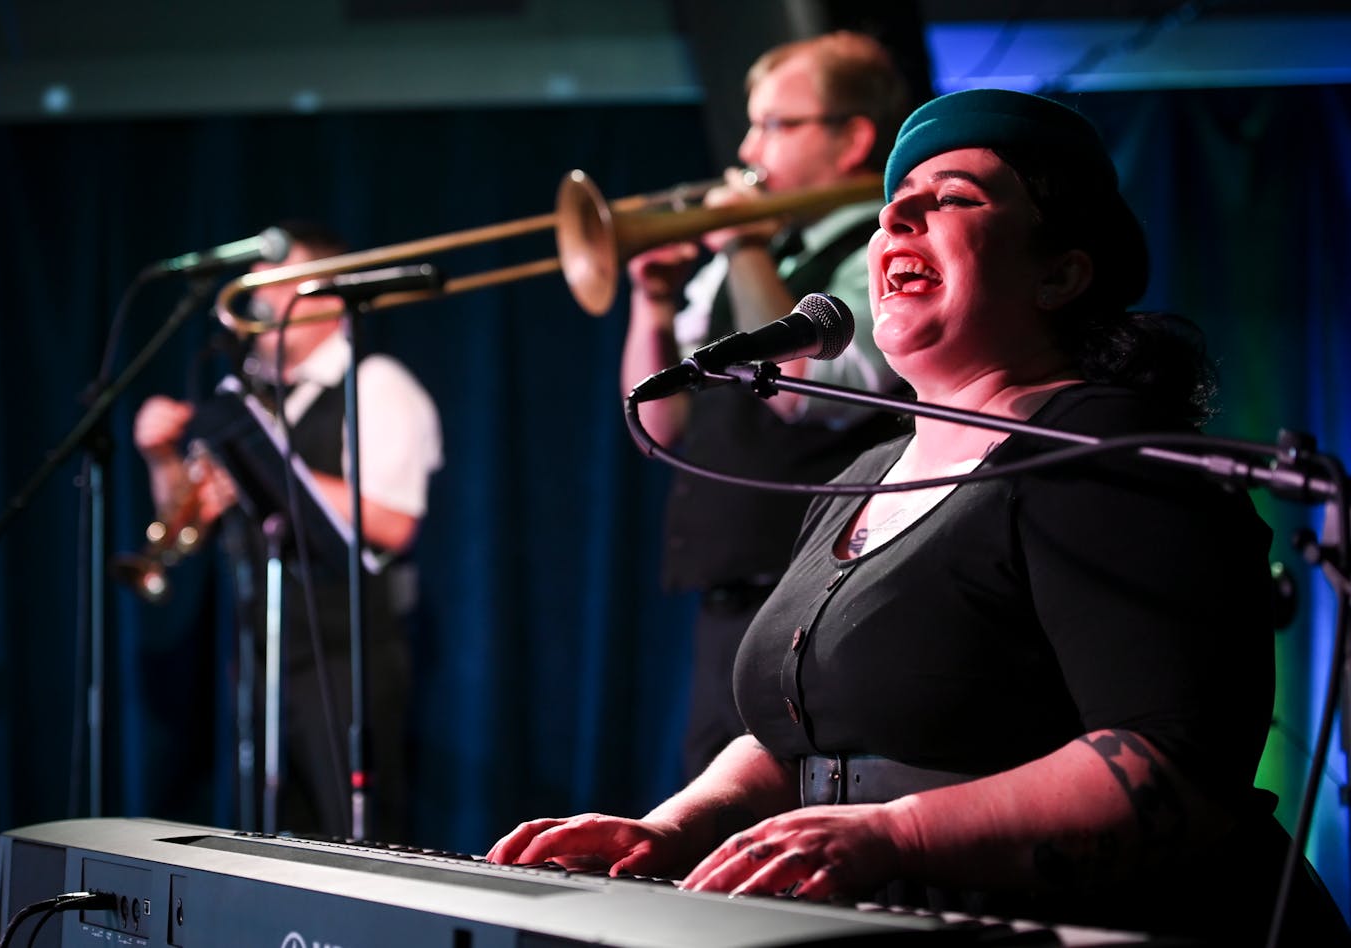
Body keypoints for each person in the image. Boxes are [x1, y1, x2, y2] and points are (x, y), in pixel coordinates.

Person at [492, 90, 1350, 944]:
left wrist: (898, 832)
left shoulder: (1107, 452)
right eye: (895, 205)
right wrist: (675, 829)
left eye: (956, 198)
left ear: (1060, 273)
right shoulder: (863, 476)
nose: (899, 210)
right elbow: (794, 739)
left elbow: (1171, 763)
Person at [622, 30, 918, 780]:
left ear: (852, 137)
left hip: (824, 596)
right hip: (731, 598)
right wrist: (651, 308)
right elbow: (661, 422)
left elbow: (812, 397)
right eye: (752, 122)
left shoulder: (874, 248)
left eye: (778, 125)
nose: (751, 147)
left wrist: (746, 250)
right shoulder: (743, 259)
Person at [133, 220, 443, 842]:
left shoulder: (377, 385)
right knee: (273, 843)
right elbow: (185, 520)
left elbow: (394, 521)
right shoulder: (250, 396)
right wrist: (163, 460)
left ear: (329, 298)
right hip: (260, 657)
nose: (262, 301)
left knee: (360, 846)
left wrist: (272, 470)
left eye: (282, 284)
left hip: (345, 660)